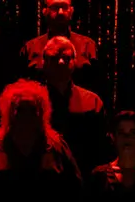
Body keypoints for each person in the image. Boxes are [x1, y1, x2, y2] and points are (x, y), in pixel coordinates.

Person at [35, 34, 110, 170]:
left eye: (66, 58)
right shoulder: (33, 101)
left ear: (75, 62)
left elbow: (102, 148)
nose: (61, 62)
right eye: (54, 58)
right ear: (44, 62)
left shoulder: (92, 102)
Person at [20, 0, 100, 84]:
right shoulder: (31, 47)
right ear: (45, 11)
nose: (60, 12)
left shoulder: (87, 45)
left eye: (64, 7)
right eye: (55, 7)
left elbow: (98, 84)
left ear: (71, 11)